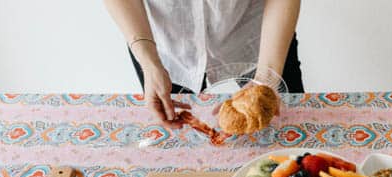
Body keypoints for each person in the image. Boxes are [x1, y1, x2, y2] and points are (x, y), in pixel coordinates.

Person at [104, 0, 303, 129]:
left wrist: (267, 77)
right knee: (179, 140)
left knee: (287, 130)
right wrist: (149, 63)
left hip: (259, 39)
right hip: (163, 48)